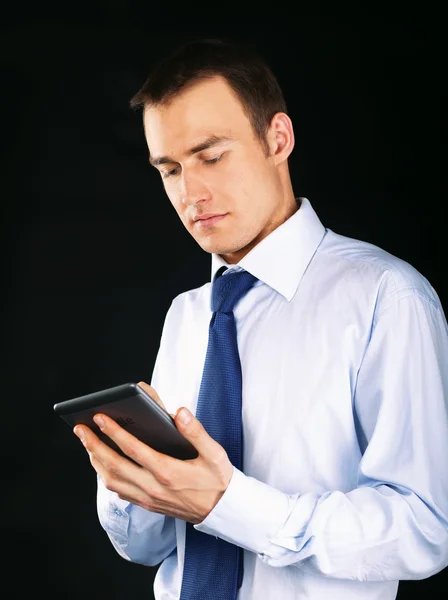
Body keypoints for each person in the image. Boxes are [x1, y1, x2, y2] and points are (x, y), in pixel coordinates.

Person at [73, 37, 448, 599]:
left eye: (211, 155)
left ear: (278, 138)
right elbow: (148, 548)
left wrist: (229, 505)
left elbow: (425, 529)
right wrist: (129, 483)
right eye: (169, 168)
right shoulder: (187, 315)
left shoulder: (386, 297)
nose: (190, 193)